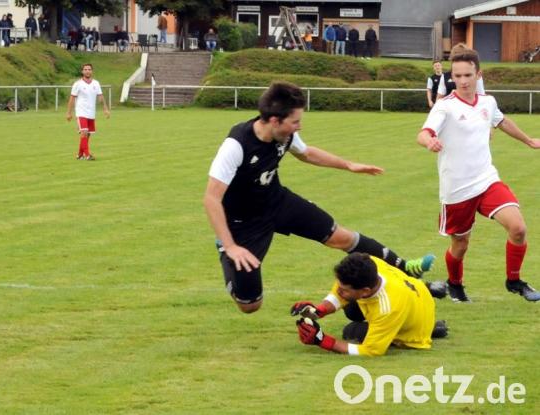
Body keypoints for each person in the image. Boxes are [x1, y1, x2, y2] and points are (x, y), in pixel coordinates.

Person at [204, 82, 435, 314]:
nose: (299, 127)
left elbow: (306, 153)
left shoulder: (285, 135)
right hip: (243, 222)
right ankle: (225, 249)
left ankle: (405, 269)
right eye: (295, 122)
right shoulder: (236, 145)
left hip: (277, 202)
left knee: (342, 237)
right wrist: (232, 246)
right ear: (275, 120)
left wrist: (349, 165)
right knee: (250, 305)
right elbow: (211, 199)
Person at [417, 45, 540, 303]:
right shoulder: (445, 107)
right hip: (457, 188)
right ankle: (454, 284)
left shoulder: (488, 101)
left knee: (518, 228)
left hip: (486, 180)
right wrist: (429, 141)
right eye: (457, 76)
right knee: (460, 246)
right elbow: (424, 132)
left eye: (467, 75)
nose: (462, 81)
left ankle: (514, 280)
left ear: (478, 75)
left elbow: (502, 121)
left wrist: (528, 140)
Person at [292, 253, 446, 356]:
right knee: (351, 310)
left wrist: (322, 340)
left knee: (351, 331)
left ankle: (429, 329)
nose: (338, 290)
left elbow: (370, 351)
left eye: (343, 289)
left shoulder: (388, 308)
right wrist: (319, 310)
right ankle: (429, 291)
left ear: (365, 291)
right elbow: (341, 288)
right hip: (417, 295)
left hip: (412, 323)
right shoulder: (370, 264)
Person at [65, 63, 110, 161]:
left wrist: (105, 109)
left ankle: (80, 154)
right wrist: (69, 113)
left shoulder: (96, 83)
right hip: (81, 112)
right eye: (85, 69)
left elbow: (101, 97)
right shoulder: (78, 84)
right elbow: (72, 98)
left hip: (91, 113)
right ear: (82, 71)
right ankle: (87, 155)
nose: (87, 71)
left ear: (92, 71)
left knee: (87, 134)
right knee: (84, 132)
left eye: (89, 69)